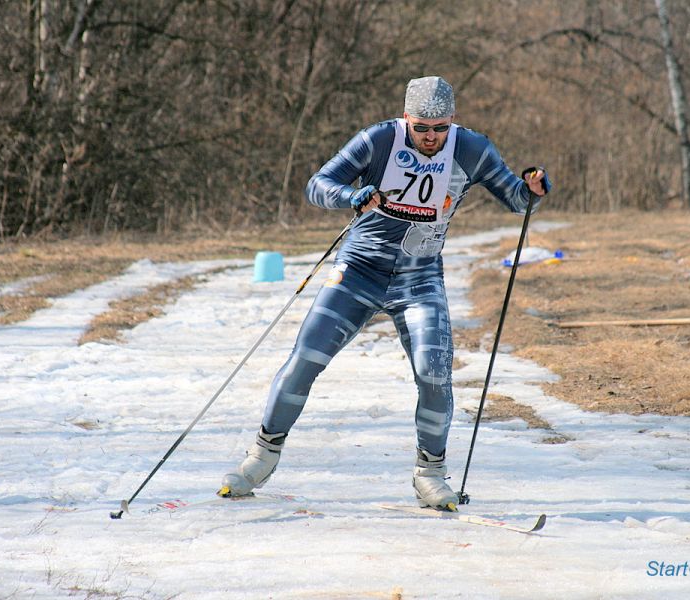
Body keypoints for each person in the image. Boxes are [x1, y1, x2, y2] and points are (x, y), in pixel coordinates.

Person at [220, 76, 551, 511]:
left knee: (434, 374)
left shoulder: (472, 148)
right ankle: (261, 457)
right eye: (421, 128)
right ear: (405, 118)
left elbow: (516, 199)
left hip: (419, 278)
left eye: (440, 128)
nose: (430, 138)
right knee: (306, 358)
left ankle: (430, 474)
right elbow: (317, 185)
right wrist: (351, 195)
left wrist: (532, 190)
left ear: (453, 121)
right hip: (358, 271)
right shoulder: (378, 140)